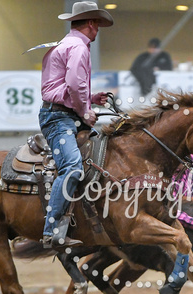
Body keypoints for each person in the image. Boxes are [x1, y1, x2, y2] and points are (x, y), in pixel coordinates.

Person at [39, 1, 113, 249]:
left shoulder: (66, 45)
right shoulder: (78, 47)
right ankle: (52, 229)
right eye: (98, 24)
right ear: (91, 23)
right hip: (60, 118)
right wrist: (86, 110)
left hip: (62, 114)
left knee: (97, 160)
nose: (99, 29)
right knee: (72, 166)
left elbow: (63, 86)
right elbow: (72, 83)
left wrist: (89, 99)